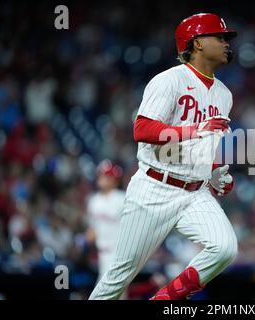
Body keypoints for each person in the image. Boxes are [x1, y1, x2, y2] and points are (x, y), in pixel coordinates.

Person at [89, 13, 237, 300]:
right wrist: (195, 129)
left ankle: (164, 299)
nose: (225, 42)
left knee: (225, 248)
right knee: (118, 277)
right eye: (219, 37)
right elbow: (142, 129)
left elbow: (206, 144)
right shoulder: (169, 80)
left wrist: (216, 173)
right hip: (155, 187)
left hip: (194, 192)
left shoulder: (224, 95)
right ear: (196, 44)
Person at [85, 160, 125, 283]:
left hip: (118, 253)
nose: (101, 178)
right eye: (100, 174)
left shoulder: (122, 198)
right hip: (102, 254)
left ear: (114, 179)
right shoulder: (93, 200)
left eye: (105, 175)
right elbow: (92, 231)